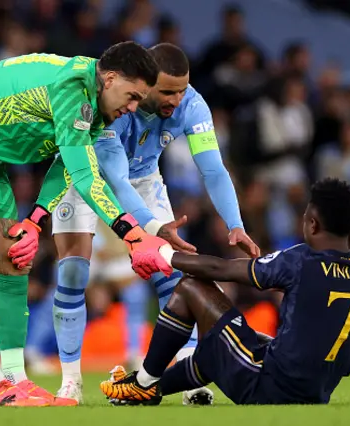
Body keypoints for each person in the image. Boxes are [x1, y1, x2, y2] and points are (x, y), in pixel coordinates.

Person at [0, 41, 175, 408]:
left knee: (16, 259)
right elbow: (84, 173)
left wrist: (35, 220)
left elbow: (64, 165)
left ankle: (16, 379)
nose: (131, 109)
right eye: (131, 97)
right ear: (110, 78)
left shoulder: (95, 108)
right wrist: (132, 233)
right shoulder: (72, 89)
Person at [50, 43, 260, 405]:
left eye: (182, 89)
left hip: (145, 181)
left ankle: (187, 376)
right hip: (86, 178)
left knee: (174, 278)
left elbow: (212, 168)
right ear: (144, 85)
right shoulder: (116, 103)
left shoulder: (193, 105)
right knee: (72, 273)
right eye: (167, 91)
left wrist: (235, 223)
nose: (176, 99)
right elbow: (114, 181)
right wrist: (152, 227)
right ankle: (71, 381)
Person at [101, 178, 350, 405]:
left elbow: (220, 270)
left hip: (267, 386)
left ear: (312, 224)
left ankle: (144, 383)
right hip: (317, 391)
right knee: (251, 338)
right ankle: (154, 388)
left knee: (191, 286)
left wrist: (164, 254)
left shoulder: (303, 261)